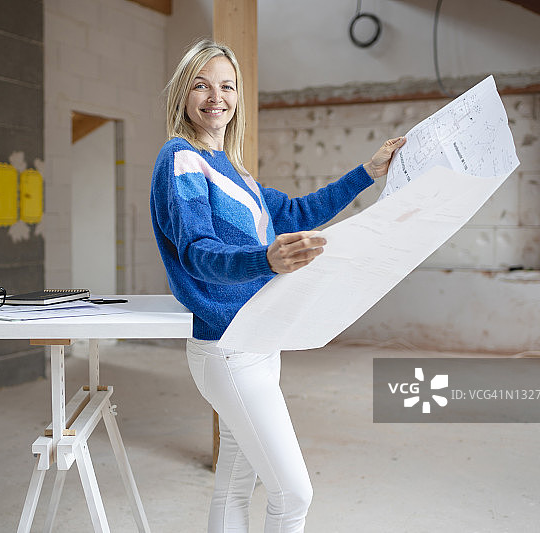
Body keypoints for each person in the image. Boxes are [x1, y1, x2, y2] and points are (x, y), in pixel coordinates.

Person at [150, 39, 405, 533]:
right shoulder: (180, 158)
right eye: (201, 85)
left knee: (235, 485)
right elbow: (198, 253)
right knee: (294, 495)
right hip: (228, 346)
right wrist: (265, 257)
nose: (215, 96)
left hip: (259, 339)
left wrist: (368, 174)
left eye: (226, 85)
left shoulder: (235, 170)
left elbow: (295, 213)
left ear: (239, 95)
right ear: (183, 93)